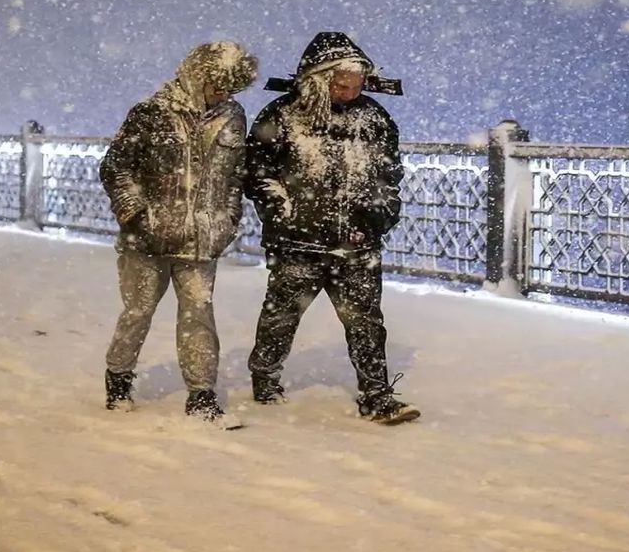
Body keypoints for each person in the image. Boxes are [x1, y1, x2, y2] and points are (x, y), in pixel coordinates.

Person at [245, 32, 420, 424]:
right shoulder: (283, 115)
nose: (349, 91)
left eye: (356, 84)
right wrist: (283, 212)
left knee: (366, 322)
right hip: (297, 243)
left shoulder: (373, 118)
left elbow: (389, 176)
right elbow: (257, 173)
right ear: (319, 79)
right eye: (341, 84)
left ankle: (377, 396)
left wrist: (378, 217)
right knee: (281, 317)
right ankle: (265, 377)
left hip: (357, 245)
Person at [99, 41, 258, 421]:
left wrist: (227, 219)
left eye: (230, 89)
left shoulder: (233, 116)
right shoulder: (151, 113)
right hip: (147, 241)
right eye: (218, 86)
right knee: (137, 312)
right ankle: (118, 379)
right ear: (196, 76)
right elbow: (116, 168)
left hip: (202, 239)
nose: (223, 95)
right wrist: (137, 216)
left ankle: (202, 394)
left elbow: (235, 176)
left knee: (199, 314)